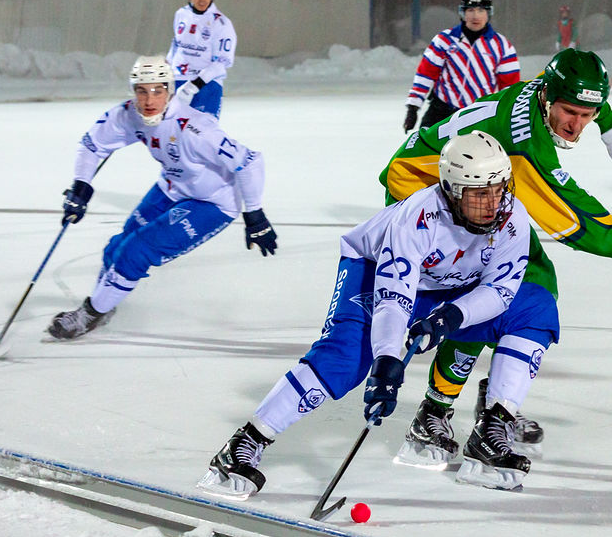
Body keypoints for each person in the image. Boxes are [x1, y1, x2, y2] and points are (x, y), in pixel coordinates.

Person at [382, 48, 612, 474]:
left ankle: (495, 408)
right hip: (424, 190)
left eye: (587, 115)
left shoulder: (545, 89)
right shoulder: (528, 145)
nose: (576, 125)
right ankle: (433, 413)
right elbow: (578, 222)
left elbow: (581, 93)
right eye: (570, 113)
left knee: (536, 280)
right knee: (491, 290)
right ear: (548, 97)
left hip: (476, 186)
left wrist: (609, 124)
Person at [200, 133, 552, 495]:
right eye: (479, 194)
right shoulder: (418, 219)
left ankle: (492, 430)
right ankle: (247, 441)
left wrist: (451, 316)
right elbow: (393, 298)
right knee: (346, 358)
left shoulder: (513, 217)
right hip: (374, 271)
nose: (493, 204)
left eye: (499, 188)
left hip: (448, 286)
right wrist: (386, 361)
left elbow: (500, 290)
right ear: (451, 190)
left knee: (535, 308)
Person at [47, 55, 276, 339]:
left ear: (169, 90)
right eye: (141, 91)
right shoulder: (130, 113)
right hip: (173, 186)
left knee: (136, 251)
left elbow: (250, 161)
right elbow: (91, 144)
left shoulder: (195, 129)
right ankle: (103, 306)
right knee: (115, 247)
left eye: (157, 90)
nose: (149, 100)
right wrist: (81, 187)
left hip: (212, 201)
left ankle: (89, 314)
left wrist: (255, 215)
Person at [403, 0, 521, 131]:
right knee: (423, 144)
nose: (475, 16)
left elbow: (510, 86)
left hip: (481, 114)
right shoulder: (444, 40)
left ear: (488, 14)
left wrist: (508, 114)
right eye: (470, 10)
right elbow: (425, 74)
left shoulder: (502, 45)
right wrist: (413, 107)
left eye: (481, 10)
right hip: (442, 111)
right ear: (463, 13)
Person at [166, 0, 236, 116]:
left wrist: (193, 86)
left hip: (207, 85)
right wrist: (165, 72)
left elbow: (221, 63)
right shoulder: (181, 14)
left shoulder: (221, 23)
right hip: (179, 80)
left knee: (204, 129)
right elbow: (176, 46)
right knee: (172, 128)